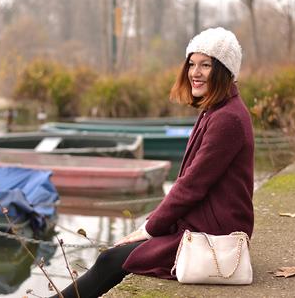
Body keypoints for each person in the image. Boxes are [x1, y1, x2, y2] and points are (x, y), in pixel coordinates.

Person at [50, 27, 254, 298]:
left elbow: (192, 186)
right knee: (112, 258)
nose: (195, 72)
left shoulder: (228, 118)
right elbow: (190, 185)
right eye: (192, 64)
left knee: (111, 261)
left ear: (225, 69)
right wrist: (151, 225)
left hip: (213, 233)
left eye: (206, 65)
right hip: (200, 221)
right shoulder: (217, 110)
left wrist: (147, 229)